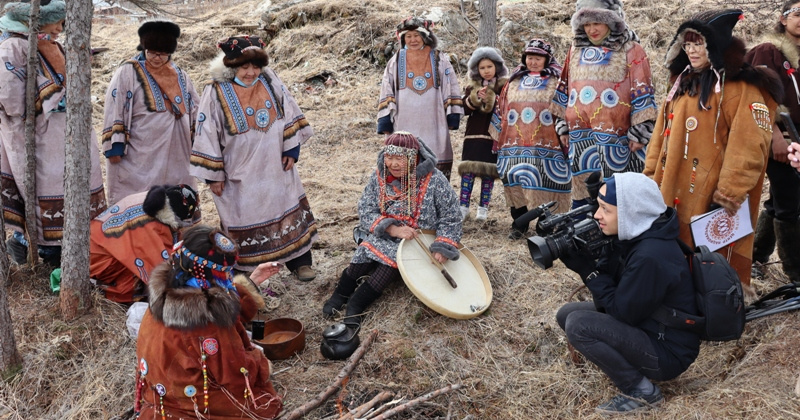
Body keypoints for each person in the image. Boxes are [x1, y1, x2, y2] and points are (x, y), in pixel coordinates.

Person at [643, 9, 783, 286]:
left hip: (711, 191)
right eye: (688, 44)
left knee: (712, 257)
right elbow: (660, 136)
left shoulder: (741, 88)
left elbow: (750, 145)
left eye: (700, 44)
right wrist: (650, 178)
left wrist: (729, 193)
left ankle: (718, 307)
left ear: (715, 45)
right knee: (676, 250)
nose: (693, 51)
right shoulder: (683, 83)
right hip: (672, 185)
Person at [557, 172, 700, 415]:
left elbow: (623, 313)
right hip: (651, 326)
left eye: (605, 209)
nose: (596, 215)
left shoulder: (651, 255)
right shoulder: (639, 235)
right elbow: (620, 294)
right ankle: (627, 366)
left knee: (579, 325)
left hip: (668, 351)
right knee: (567, 313)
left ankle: (642, 390)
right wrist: (593, 256)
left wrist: (589, 272)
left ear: (630, 213)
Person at [190, 35, 318, 280]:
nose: (251, 73)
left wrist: (291, 149)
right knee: (243, 216)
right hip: (238, 171)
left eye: (256, 67)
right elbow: (206, 132)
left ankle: (299, 262)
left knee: (286, 205)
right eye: (244, 67)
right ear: (231, 66)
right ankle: (247, 271)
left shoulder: (270, 80)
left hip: (275, 164)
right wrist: (213, 176)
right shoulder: (215, 91)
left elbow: (289, 109)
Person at [135, 225, 282, 419]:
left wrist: (251, 282)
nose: (228, 278)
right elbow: (236, 375)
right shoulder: (209, 324)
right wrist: (260, 362)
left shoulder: (164, 295)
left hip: (159, 393)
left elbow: (219, 301)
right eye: (224, 273)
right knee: (264, 404)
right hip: (190, 404)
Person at [0, 0, 107, 267]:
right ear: (38, 20)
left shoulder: (51, 45)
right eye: (57, 21)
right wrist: (50, 96)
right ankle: (45, 252)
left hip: (64, 136)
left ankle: (74, 248)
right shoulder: (12, 47)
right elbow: (10, 99)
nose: (61, 28)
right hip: (37, 139)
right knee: (45, 190)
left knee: (74, 182)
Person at [322, 132, 462, 326]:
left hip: (417, 241)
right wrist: (392, 229)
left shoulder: (435, 180)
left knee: (390, 265)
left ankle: (356, 304)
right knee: (363, 253)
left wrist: (443, 245)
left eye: (399, 159)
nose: (393, 164)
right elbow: (366, 208)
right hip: (385, 234)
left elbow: (451, 216)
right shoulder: (379, 176)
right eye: (389, 157)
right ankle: (341, 293)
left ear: (413, 158)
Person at [551, 0, 657, 210]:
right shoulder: (575, 50)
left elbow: (642, 88)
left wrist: (640, 131)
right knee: (583, 188)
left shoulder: (631, 49)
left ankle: (616, 235)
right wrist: (563, 126)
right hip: (580, 135)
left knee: (617, 191)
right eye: (587, 24)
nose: (592, 29)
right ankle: (583, 231)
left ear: (612, 21)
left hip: (618, 138)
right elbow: (565, 88)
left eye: (597, 22)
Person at [101, 20, 200, 211]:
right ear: (144, 48)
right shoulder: (127, 72)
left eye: (163, 54)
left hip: (176, 151)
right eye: (153, 52)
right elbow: (115, 106)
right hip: (140, 154)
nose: (157, 58)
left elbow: (195, 108)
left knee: (175, 198)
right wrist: (115, 146)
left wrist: (199, 144)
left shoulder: (180, 75)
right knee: (139, 199)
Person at [744, 1, 800, 282]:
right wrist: (775, 137)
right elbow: (756, 99)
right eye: (798, 14)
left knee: (780, 199)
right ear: (783, 18)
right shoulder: (768, 51)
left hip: (798, 139)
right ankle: (795, 274)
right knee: (790, 203)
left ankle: (755, 258)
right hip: (778, 135)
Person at [494, 39, 571, 238]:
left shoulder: (557, 81)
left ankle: (545, 226)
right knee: (515, 180)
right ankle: (519, 224)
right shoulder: (514, 80)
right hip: (514, 145)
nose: (533, 62)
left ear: (547, 59)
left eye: (538, 58)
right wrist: (498, 137)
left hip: (547, 144)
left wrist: (565, 132)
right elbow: (502, 109)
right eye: (530, 57)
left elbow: (564, 107)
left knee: (547, 181)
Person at [377, 17, 463, 179]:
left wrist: (452, 115)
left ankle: (434, 195)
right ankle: (404, 198)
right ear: (402, 38)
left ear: (425, 36)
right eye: (408, 36)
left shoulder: (439, 58)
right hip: (403, 120)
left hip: (434, 119)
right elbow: (387, 88)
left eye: (417, 35)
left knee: (435, 152)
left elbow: (449, 83)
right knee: (404, 154)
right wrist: (386, 120)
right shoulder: (395, 60)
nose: (413, 40)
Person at [90, 184, 198, 303]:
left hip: (95, 244)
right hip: (98, 261)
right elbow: (161, 269)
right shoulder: (150, 227)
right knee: (143, 277)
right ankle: (102, 288)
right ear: (173, 218)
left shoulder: (150, 199)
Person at [458, 46, 508, 221]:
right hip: (473, 136)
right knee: (468, 173)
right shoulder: (472, 87)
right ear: (476, 70)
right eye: (482, 68)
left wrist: (493, 100)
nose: (486, 71)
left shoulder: (504, 87)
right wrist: (476, 99)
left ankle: (483, 210)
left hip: (493, 138)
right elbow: (463, 109)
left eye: (489, 67)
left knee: (488, 175)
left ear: (497, 67)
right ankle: (463, 207)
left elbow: (507, 108)